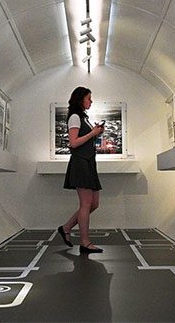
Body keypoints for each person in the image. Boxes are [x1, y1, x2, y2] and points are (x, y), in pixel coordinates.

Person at [57, 86, 105, 254]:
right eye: (89, 98)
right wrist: (93, 133)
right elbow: (74, 143)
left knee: (94, 204)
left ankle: (66, 227)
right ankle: (85, 242)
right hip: (81, 163)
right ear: (80, 99)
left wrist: (96, 133)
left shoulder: (83, 117)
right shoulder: (75, 117)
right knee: (85, 204)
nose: (91, 101)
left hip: (89, 162)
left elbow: (84, 140)